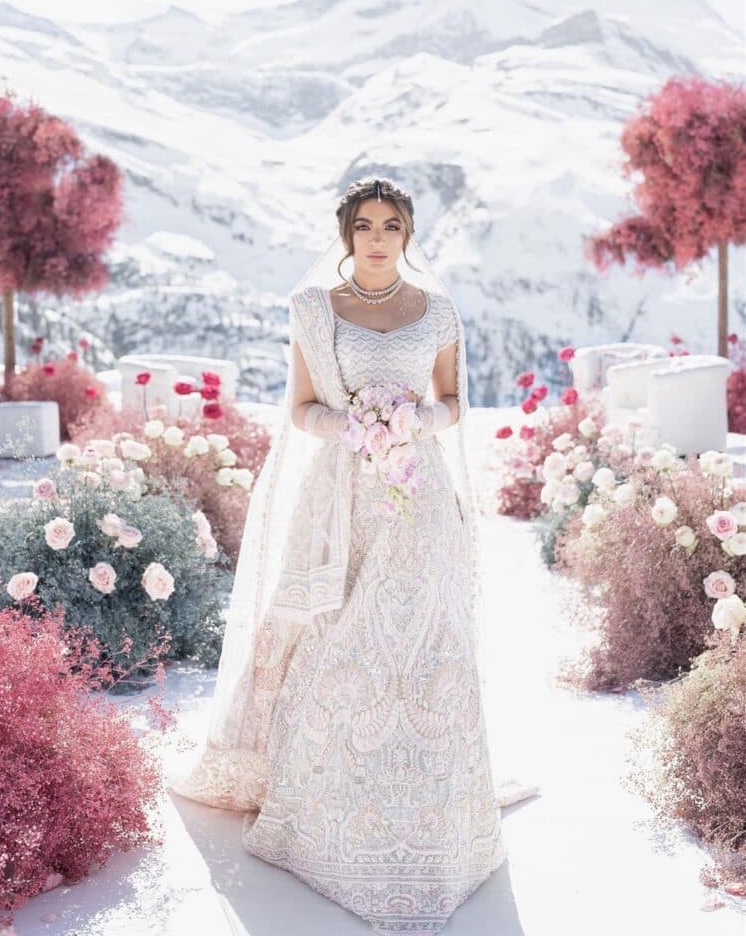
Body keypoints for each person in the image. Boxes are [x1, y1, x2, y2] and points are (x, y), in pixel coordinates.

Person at [171, 176, 539, 934]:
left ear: (408, 234)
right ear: (346, 235)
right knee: (338, 636)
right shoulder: (314, 309)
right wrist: (356, 428)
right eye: (364, 225)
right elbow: (301, 409)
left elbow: (454, 402)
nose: (377, 238)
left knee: (426, 638)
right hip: (342, 495)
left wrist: (410, 421)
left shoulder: (436, 309)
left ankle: (435, 815)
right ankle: (330, 809)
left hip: (420, 496)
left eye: (390, 226)